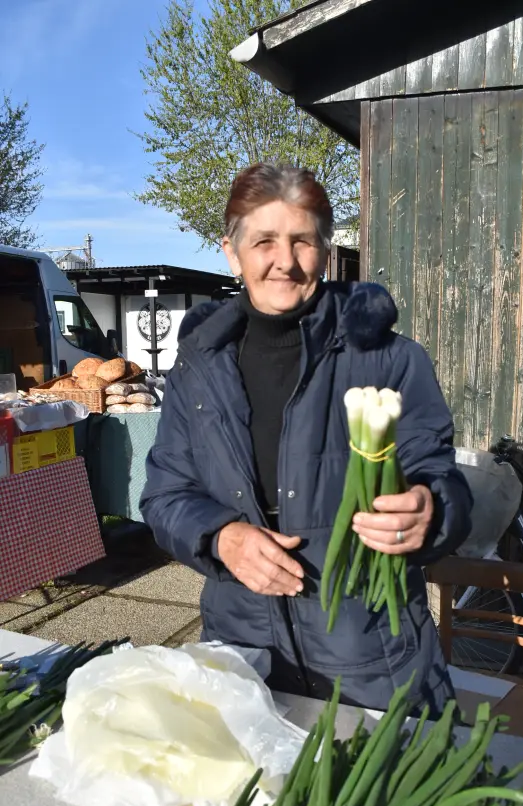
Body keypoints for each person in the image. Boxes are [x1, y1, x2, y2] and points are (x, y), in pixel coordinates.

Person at [140, 163, 472, 715]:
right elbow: (164, 495)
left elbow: (439, 475)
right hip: (243, 655)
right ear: (232, 253)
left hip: (372, 659)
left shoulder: (388, 359)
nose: (285, 261)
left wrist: (429, 510)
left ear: (326, 251)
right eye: (263, 241)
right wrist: (220, 537)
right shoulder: (198, 367)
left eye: (302, 241)